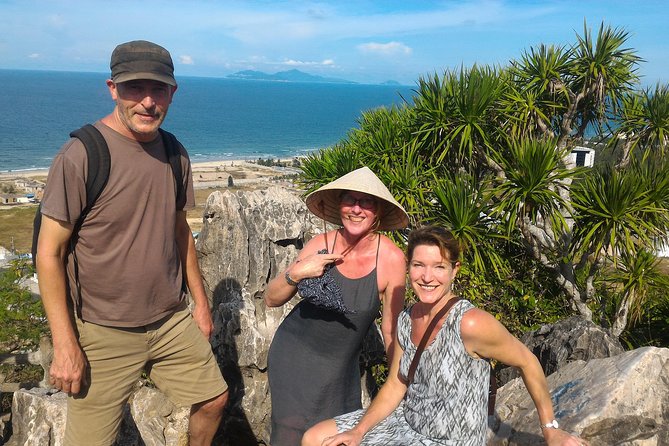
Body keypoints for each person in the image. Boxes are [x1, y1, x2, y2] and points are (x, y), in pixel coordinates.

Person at [36, 40, 228, 445]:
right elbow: (49, 253)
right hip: (103, 330)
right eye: (134, 89)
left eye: (158, 90)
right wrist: (65, 342)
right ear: (112, 89)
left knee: (213, 398)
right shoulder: (82, 155)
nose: (147, 102)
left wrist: (201, 303)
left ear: (173, 93)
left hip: (169, 319)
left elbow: (180, 231)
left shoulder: (175, 153)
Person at [303, 225, 590, 446]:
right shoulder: (407, 318)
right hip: (407, 422)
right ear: (409, 267)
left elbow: (527, 361)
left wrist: (550, 430)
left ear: (455, 270)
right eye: (419, 265)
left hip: (449, 439)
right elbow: (396, 384)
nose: (428, 277)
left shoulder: (470, 323)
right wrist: (359, 431)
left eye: (439, 267)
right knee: (314, 438)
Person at [264, 166, 409, 445]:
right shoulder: (320, 244)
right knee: (289, 435)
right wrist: (299, 271)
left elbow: (391, 331)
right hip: (293, 357)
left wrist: (398, 383)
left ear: (377, 211)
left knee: (336, 438)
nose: (357, 208)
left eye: (366, 201)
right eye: (349, 200)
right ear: (339, 205)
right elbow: (272, 299)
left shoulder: (391, 259)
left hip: (340, 370)